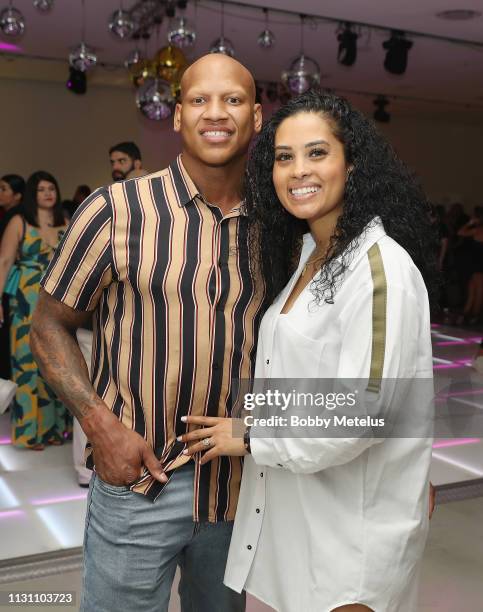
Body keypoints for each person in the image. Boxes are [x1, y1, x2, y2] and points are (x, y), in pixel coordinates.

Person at [180, 91, 439, 612]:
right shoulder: (310, 255)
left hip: (352, 540)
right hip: (303, 520)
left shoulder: (378, 270)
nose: (298, 170)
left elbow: (363, 411)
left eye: (317, 153)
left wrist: (251, 434)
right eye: (284, 156)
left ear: (353, 164)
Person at [30, 54, 263, 611]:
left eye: (232, 99)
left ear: (256, 118)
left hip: (238, 489)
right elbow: (48, 325)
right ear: (177, 116)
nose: (216, 113)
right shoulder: (116, 210)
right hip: (139, 479)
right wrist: (99, 427)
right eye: (199, 100)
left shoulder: (276, 225)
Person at [0, 171, 71, 449]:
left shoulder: (64, 222)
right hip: (25, 300)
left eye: (51, 188)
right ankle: (30, 432)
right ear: (32, 194)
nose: (47, 193)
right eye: (41, 189)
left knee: (57, 364)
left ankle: (56, 430)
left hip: (56, 302)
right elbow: (5, 260)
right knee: (27, 363)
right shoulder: (20, 221)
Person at [0, 174, 25, 380]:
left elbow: (6, 259)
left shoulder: (16, 218)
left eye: (4, 189)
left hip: (12, 280)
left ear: (17, 195)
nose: (0, 193)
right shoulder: (8, 215)